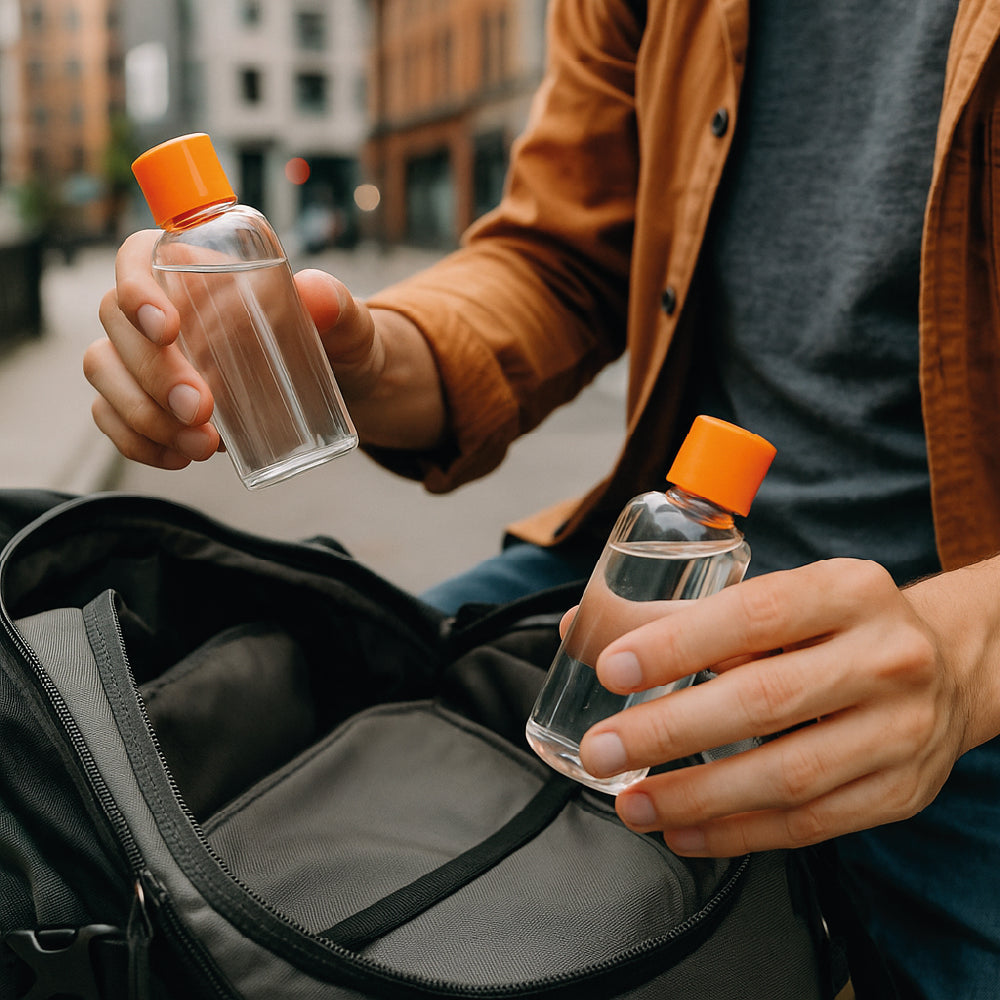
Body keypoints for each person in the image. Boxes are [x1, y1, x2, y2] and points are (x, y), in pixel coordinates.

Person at [85, 1, 1000, 996]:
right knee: (255, 794)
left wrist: (969, 652)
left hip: (964, 650)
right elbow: (560, 256)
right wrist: (363, 353)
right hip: (643, 588)